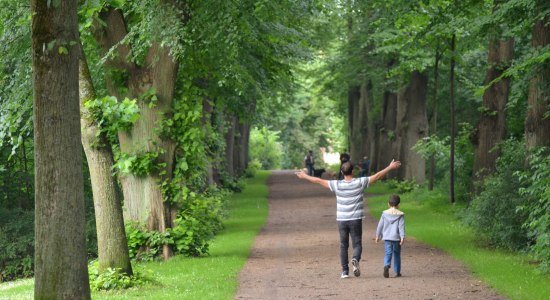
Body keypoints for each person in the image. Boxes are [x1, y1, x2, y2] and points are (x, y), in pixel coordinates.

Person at [296, 159, 401, 279]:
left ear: (341, 172)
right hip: (356, 219)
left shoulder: (336, 185)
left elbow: (318, 180)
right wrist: (390, 167)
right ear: (353, 171)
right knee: (357, 243)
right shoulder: (360, 182)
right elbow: (377, 176)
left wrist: (304, 176)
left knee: (343, 245)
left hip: (342, 219)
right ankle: (355, 259)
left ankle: (345, 272)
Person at [375, 194, 405, 278]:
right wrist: (402, 237)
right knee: (397, 254)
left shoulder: (384, 214)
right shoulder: (400, 215)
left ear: (388, 204)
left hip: (387, 238)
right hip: (396, 238)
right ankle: (397, 272)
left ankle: (387, 265)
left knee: (388, 253)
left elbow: (380, 225)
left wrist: (378, 235)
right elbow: (401, 227)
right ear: (398, 205)